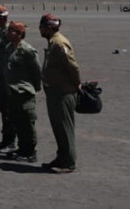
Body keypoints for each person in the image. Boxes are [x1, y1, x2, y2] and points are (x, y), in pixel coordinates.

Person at [40, 14, 81, 173]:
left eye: (43, 26)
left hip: (63, 92)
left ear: (50, 27)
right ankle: (61, 157)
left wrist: (76, 83)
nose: (40, 29)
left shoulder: (59, 43)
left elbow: (73, 66)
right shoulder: (52, 42)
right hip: (55, 91)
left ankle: (68, 162)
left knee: (65, 128)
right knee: (58, 127)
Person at [3, 20, 42, 163]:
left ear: (19, 34)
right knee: (17, 121)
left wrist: (35, 87)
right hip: (12, 91)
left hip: (24, 91)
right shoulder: (9, 48)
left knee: (27, 122)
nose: (9, 33)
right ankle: (22, 148)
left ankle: (31, 151)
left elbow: (36, 71)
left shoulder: (27, 50)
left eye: (12, 31)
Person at [0, 5, 15, 151]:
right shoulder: (2, 32)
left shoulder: (9, 32)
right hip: (0, 76)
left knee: (9, 111)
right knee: (3, 110)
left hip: (7, 78)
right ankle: (6, 140)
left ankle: (11, 142)